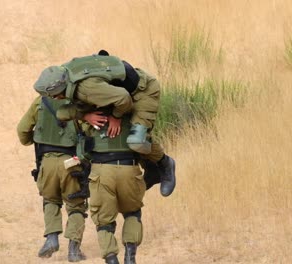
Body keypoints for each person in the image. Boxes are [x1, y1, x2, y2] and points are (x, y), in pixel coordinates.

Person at [33, 51, 176, 197]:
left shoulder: (86, 90)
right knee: (62, 113)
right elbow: (64, 112)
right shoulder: (66, 75)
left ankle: (164, 163)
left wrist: (116, 116)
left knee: (136, 141)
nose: (54, 99)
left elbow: (123, 99)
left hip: (142, 91)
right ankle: (150, 167)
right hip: (114, 95)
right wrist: (86, 115)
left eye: (54, 95)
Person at [17, 95, 88, 262]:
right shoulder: (78, 102)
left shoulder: (40, 101)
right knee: (76, 205)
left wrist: (34, 139)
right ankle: (73, 249)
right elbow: (88, 130)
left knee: (50, 200)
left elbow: (22, 130)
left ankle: (51, 239)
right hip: (72, 162)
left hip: (46, 162)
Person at [77, 111, 146, 264]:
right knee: (132, 212)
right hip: (130, 168)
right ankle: (130, 257)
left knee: (104, 221)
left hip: (101, 170)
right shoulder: (133, 112)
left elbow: (82, 153)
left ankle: (111, 259)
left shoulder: (91, 113)